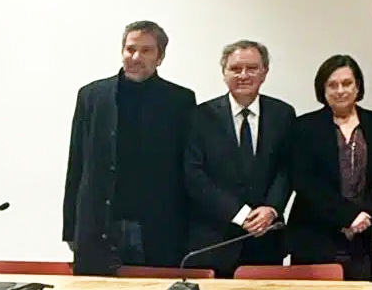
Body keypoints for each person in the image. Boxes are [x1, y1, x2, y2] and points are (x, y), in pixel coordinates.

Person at [63, 20, 195, 276]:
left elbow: (187, 168)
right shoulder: (92, 96)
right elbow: (76, 162)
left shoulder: (180, 100)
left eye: (146, 50)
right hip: (100, 223)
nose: (136, 57)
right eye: (130, 49)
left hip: (159, 226)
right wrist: (71, 228)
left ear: (160, 57)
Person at [184, 40, 295, 277]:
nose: (243, 75)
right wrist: (241, 215)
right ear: (223, 73)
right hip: (215, 240)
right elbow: (194, 175)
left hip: (266, 239)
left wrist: (272, 209)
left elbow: (287, 168)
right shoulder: (200, 116)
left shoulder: (283, 114)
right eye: (235, 69)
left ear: (264, 72)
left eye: (252, 68)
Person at [287, 55, 372, 280]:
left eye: (347, 83)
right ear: (323, 89)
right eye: (332, 85)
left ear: (358, 87)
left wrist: (364, 214)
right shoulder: (304, 127)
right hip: (316, 236)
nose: (340, 91)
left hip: (367, 234)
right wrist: (348, 215)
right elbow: (304, 181)